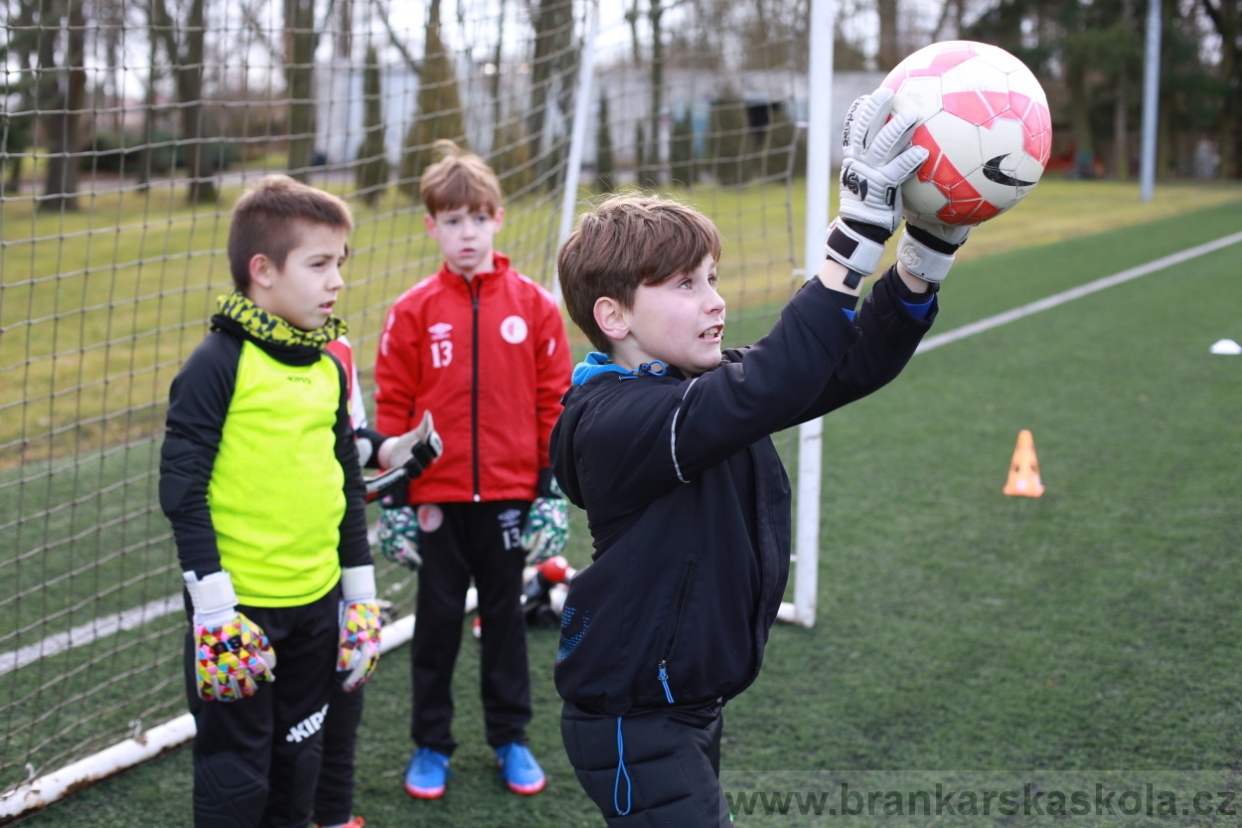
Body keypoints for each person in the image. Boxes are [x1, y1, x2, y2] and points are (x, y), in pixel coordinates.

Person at [550, 88, 970, 827]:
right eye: (685, 285)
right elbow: (770, 382)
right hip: (630, 715)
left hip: (686, 700)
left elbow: (845, 365)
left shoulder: (694, 388)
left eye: (711, 279)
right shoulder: (614, 420)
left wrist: (922, 256)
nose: (714, 300)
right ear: (612, 316)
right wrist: (852, 241)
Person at [160, 175, 386, 828]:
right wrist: (213, 611)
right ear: (262, 270)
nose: (336, 281)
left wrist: (360, 596)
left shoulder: (327, 367)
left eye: (340, 263)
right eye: (318, 264)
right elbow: (181, 490)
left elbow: (347, 485)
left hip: (318, 607)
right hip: (239, 615)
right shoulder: (217, 364)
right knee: (235, 775)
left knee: (298, 766)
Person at [373, 140, 573, 799]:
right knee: (434, 630)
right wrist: (395, 502)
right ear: (431, 226)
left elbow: (554, 405)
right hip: (436, 499)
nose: (467, 233)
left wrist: (549, 492)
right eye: (452, 220)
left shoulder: (535, 306)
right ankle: (431, 745)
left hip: (511, 498)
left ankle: (510, 737)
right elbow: (393, 411)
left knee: (505, 624)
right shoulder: (412, 311)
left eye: (478, 218)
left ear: (499, 219)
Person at [312, 336, 441, 828]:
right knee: (273, 735)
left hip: (336, 559)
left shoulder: (338, 347)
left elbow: (344, 445)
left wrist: (389, 449)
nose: (333, 295)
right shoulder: (229, 359)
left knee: (343, 694)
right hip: (269, 575)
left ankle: (335, 816)